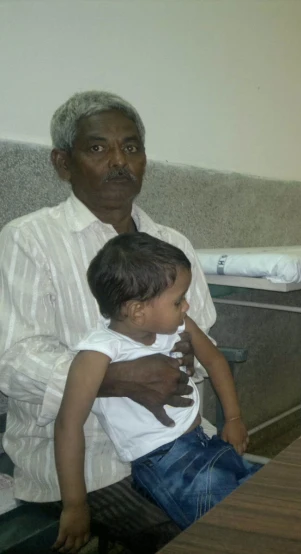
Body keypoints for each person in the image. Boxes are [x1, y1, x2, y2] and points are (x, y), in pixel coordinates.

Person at [0, 91, 216, 551]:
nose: (120, 161)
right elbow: (13, 360)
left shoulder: (170, 240)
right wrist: (114, 379)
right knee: (198, 534)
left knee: (251, 505)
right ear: (63, 163)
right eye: (98, 148)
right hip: (86, 460)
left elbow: (202, 331)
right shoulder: (29, 239)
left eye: (131, 147)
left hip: (176, 439)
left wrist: (188, 354)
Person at [54, 233, 258, 553]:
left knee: (265, 495)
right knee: (226, 530)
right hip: (166, 465)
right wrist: (75, 505)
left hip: (205, 443)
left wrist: (233, 417)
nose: (186, 305)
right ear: (138, 311)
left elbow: (215, 360)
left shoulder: (175, 326)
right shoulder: (98, 354)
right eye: (178, 300)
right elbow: (68, 426)